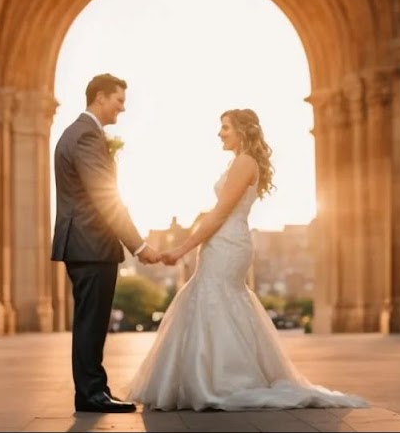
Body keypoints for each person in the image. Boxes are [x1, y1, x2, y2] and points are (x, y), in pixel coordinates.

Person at [127, 109, 367, 412]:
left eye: (225, 127)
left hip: (228, 243)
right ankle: (204, 377)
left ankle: (224, 379)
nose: (220, 133)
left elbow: (220, 213)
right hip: (224, 242)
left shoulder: (244, 163)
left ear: (241, 130)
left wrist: (181, 249)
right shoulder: (239, 162)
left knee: (217, 299)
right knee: (214, 299)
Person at [50, 73, 166, 414]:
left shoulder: (79, 132)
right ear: (100, 97)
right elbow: (105, 196)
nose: (122, 109)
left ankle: (92, 390)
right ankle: (91, 394)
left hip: (84, 243)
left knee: (92, 320)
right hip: (90, 243)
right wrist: (140, 246)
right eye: (119, 101)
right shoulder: (86, 135)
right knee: (92, 321)